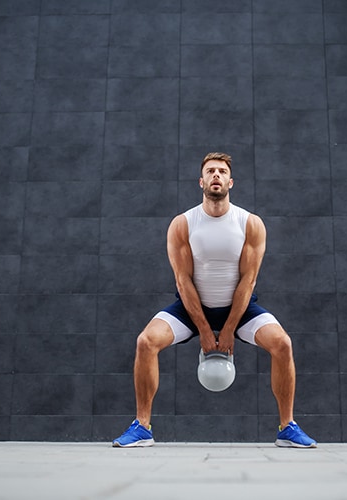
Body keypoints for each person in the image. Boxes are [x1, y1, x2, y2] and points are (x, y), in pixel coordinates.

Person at [113, 152, 316, 448]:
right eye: (211, 171)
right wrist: (206, 330)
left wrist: (230, 327)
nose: (216, 175)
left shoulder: (250, 224)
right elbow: (183, 280)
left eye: (222, 171)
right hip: (191, 307)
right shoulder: (183, 224)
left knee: (282, 344)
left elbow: (249, 280)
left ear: (231, 182)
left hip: (240, 309)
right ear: (201, 181)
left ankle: (288, 427)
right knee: (146, 342)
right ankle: (142, 426)